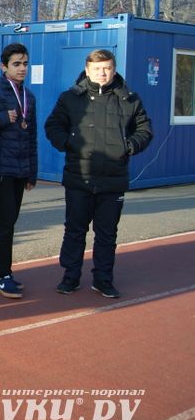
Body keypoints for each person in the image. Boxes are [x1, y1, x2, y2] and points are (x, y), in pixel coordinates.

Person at [45, 49, 152, 298]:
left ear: (114, 69)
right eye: (97, 69)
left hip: (113, 178)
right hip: (79, 176)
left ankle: (103, 279)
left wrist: (129, 146)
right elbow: (53, 126)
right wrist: (70, 143)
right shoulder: (70, 98)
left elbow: (145, 129)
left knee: (107, 233)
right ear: (87, 69)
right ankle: (70, 276)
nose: (102, 73)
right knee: (74, 230)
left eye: (107, 68)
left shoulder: (130, 99)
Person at [0, 43, 38, 299]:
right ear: (3, 67)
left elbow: (31, 136)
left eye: (25, 63)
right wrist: (2, 118)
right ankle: (4, 273)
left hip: (20, 168)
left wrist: (32, 172)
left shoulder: (29, 97)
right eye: (16, 64)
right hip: (0, 167)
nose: (22, 68)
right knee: (6, 222)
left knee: (7, 220)